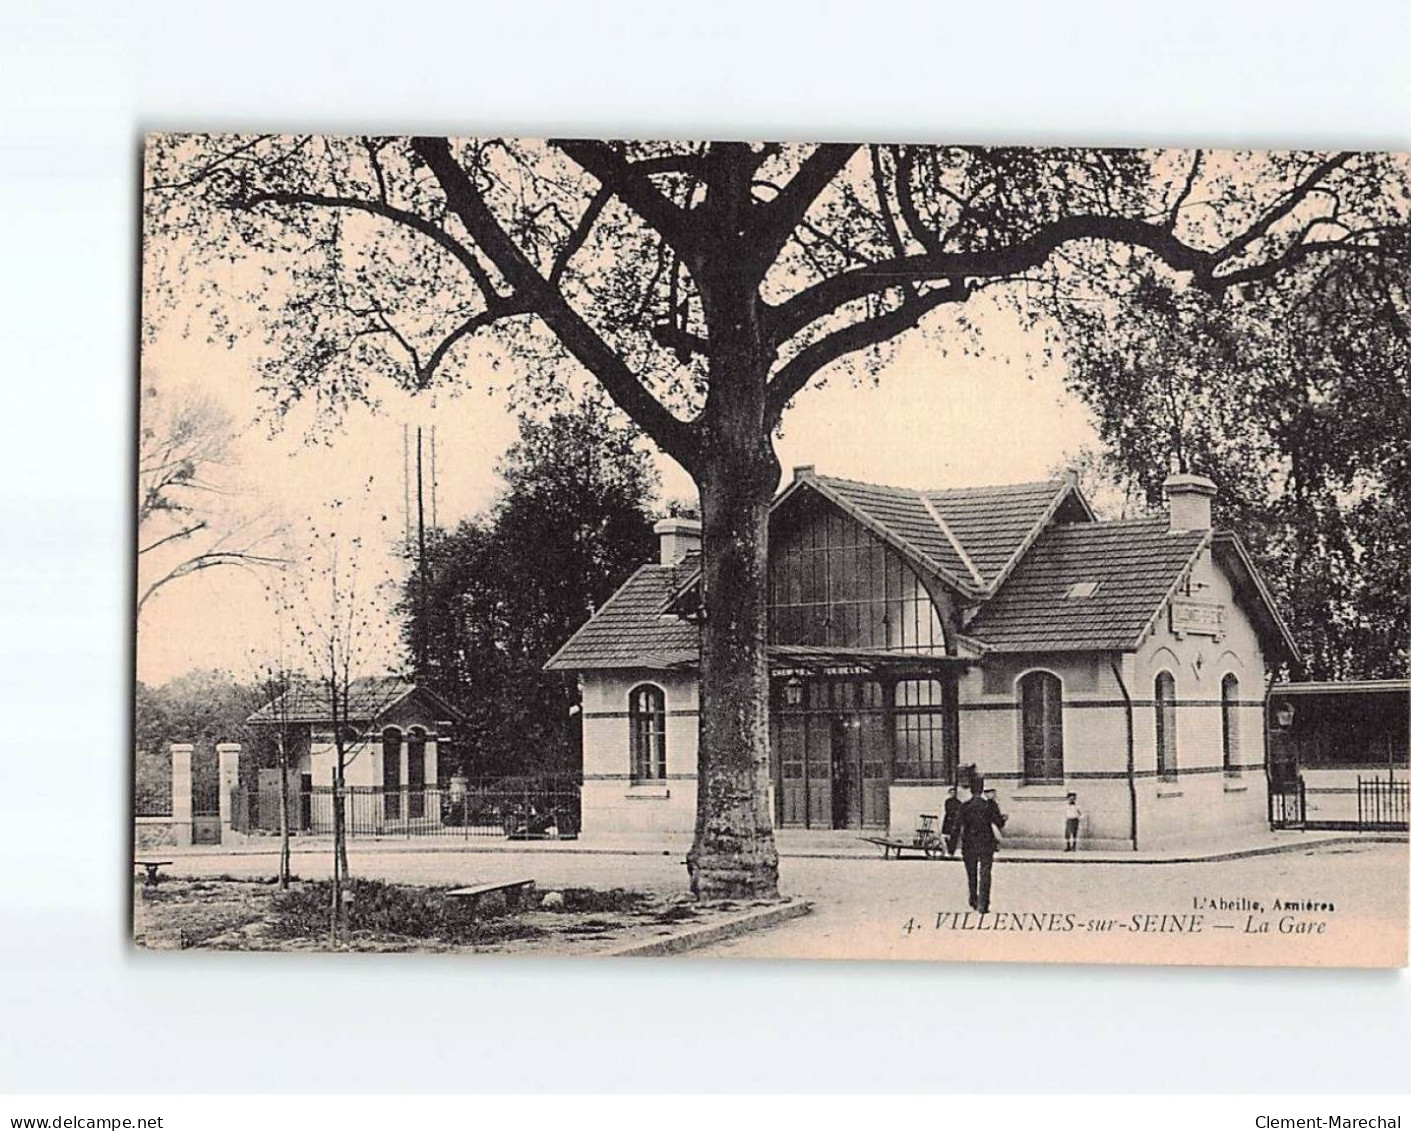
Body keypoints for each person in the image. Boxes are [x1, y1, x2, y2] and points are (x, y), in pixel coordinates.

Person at [957, 778, 1003, 913]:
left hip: (969, 844)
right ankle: (983, 904)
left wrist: (951, 847)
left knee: (971, 874)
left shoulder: (964, 806)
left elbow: (957, 826)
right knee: (985, 873)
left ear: (971, 789)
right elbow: (999, 822)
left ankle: (973, 899)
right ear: (982, 789)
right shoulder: (990, 805)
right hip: (986, 844)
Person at [941, 786, 962, 857]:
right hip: (948, 820)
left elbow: (959, 811)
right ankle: (947, 850)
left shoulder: (958, 802)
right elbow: (947, 810)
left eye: (954, 793)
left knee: (954, 837)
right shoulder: (947, 801)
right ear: (949, 793)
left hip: (955, 821)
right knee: (946, 836)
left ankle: (952, 851)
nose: (953, 794)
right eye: (951, 792)